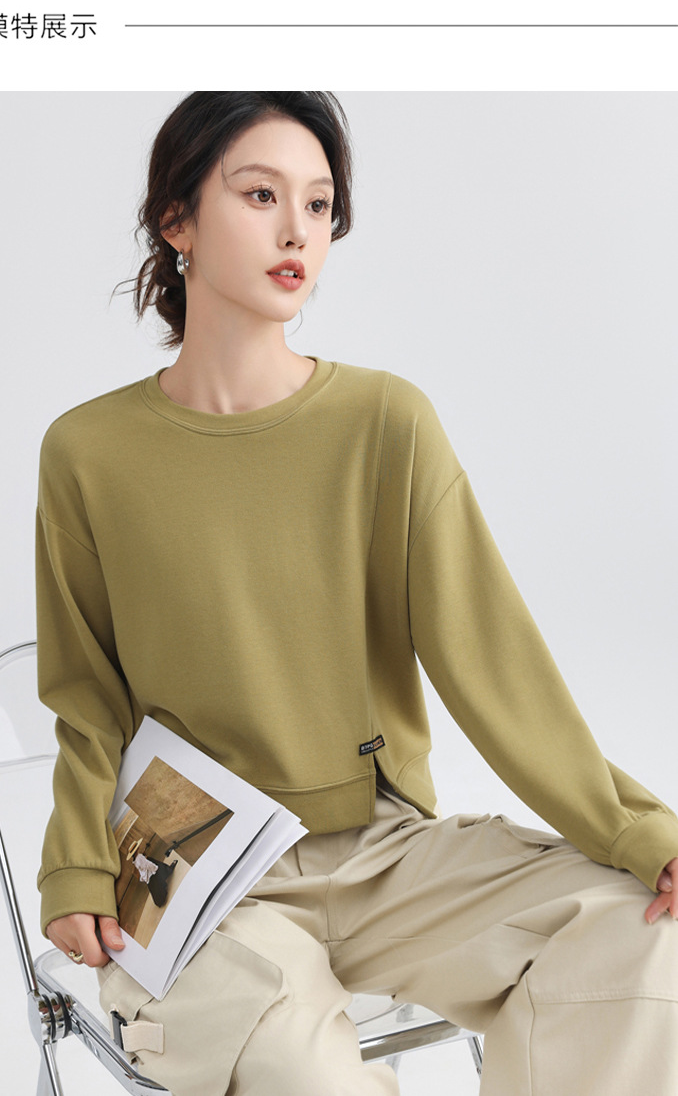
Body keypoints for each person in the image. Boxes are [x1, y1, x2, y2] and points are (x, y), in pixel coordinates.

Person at [37, 92, 678, 1095]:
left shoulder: (385, 423)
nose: (298, 231)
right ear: (176, 218)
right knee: (304, 1067)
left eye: (319, 203)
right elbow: (87, 698)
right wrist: (78, 865)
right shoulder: (89, 451)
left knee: (641, 933)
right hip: (189, 864)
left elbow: (493, 661)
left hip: (380, 851)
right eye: (261, 195)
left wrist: (637, 830)